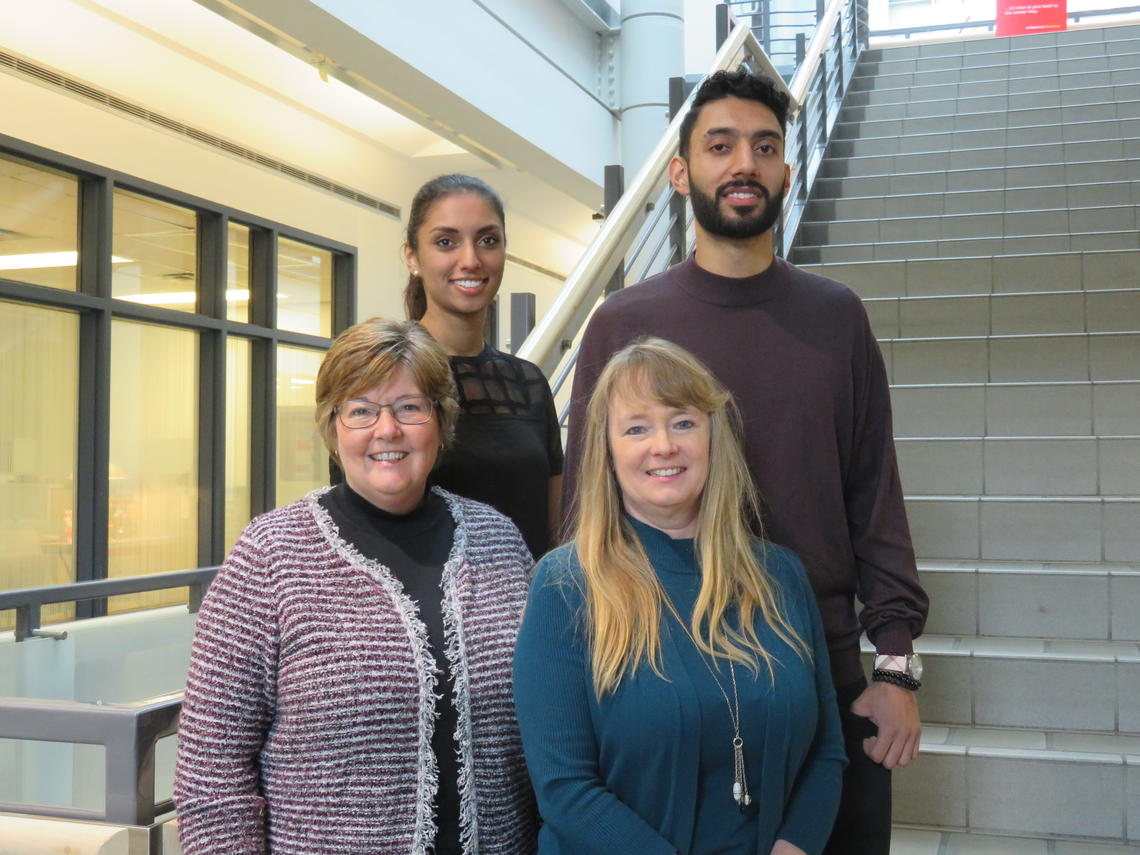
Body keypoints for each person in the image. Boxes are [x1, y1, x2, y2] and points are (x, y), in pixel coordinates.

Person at [561, 69, 929, 855]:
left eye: (765, 148)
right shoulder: (623, 324)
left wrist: (894, 666)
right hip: (658, 670)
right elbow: (584, 509)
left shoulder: (837, 318)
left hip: (818, 668)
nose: (744, 165)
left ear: (787, 173)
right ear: (680, 171)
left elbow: (875, 496)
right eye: (719, 145)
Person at [175, 318, 537, 855]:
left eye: (410, 407)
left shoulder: (499, 541)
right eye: (361, 410)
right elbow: (212, 771)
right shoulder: (271, 556)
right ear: (332, 427)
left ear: (440, 420)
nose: (386, 430)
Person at [514, 337, 846, 855]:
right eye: (637, 428)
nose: (663, 445)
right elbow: (564, 788)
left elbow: (827, 751)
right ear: (608, 450)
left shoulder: (780, 575)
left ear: (714, 436)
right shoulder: (565, 585)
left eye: (683, 422)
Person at [402, 174, 564, 558]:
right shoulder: (383, 375)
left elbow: (556, 531)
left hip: (525, 607)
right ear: (412, 256)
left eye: (488, 240)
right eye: (446, 242)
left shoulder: (528, 384)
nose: (471, 260)